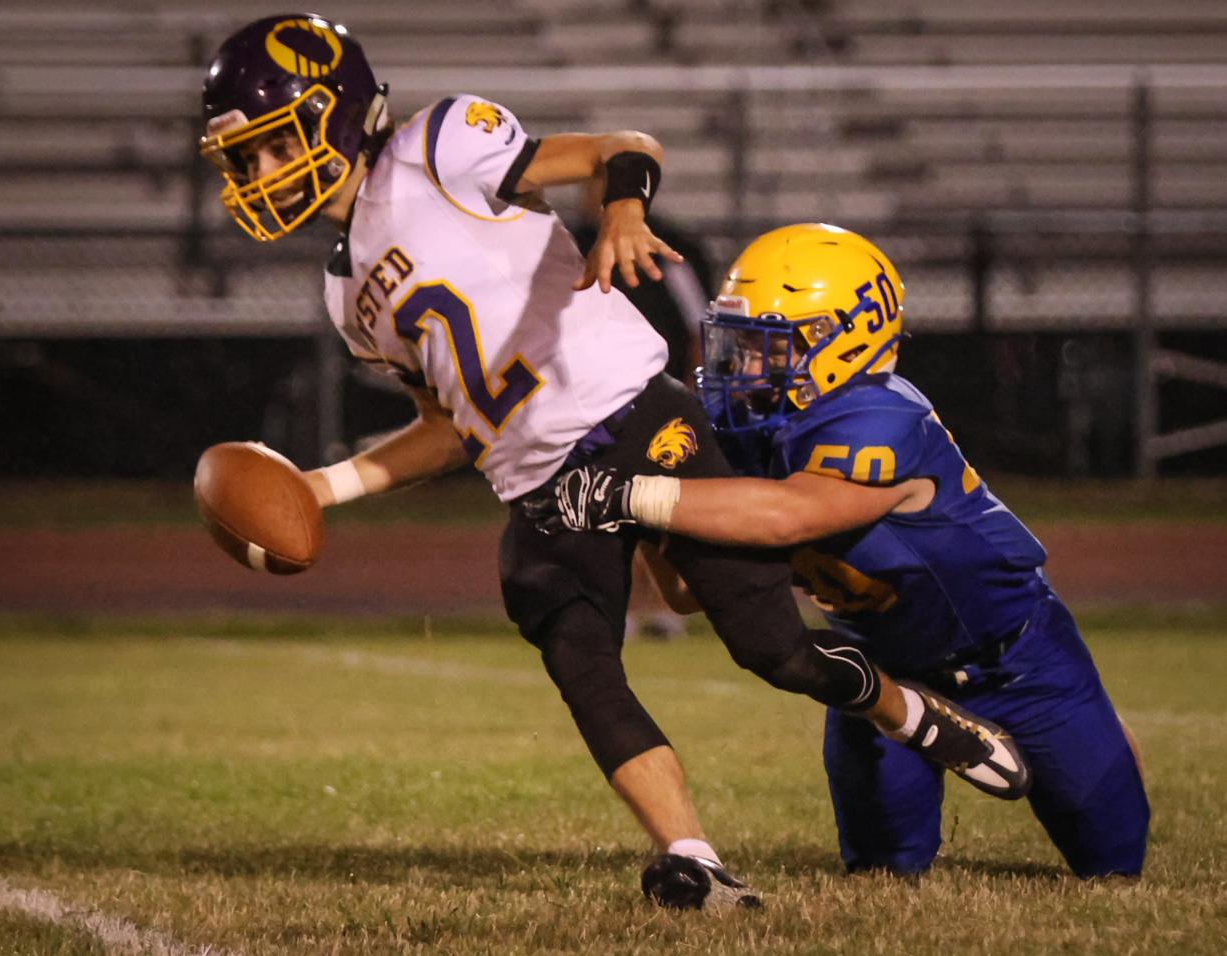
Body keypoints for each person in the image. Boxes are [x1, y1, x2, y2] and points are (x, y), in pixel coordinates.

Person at [198, 17, 1029, 909]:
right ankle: (693, 857)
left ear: (335, 115)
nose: (253, 178)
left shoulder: (436, 146)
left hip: (632, 414)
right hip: (537, 489)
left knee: (772, 650)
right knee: (584, 666)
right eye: (240, 163)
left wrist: (621, 211)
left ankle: (906, 713)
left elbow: (621, 150)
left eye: (265, 150)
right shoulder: (343, 291)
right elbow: (446, 428)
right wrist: (323, 486)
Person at [531, 223, 1150, 878]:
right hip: (883, 675)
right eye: (737, 343)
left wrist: (631, 494)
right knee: (881, 872)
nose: (740, 365)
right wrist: (645, 519)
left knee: (1113, 865)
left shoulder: (879, 417)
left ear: (843, 339)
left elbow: (788, 517)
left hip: (1017, 663)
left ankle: (1102, 740)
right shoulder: (749, 426)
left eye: (767, 347)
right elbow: (687, 594)